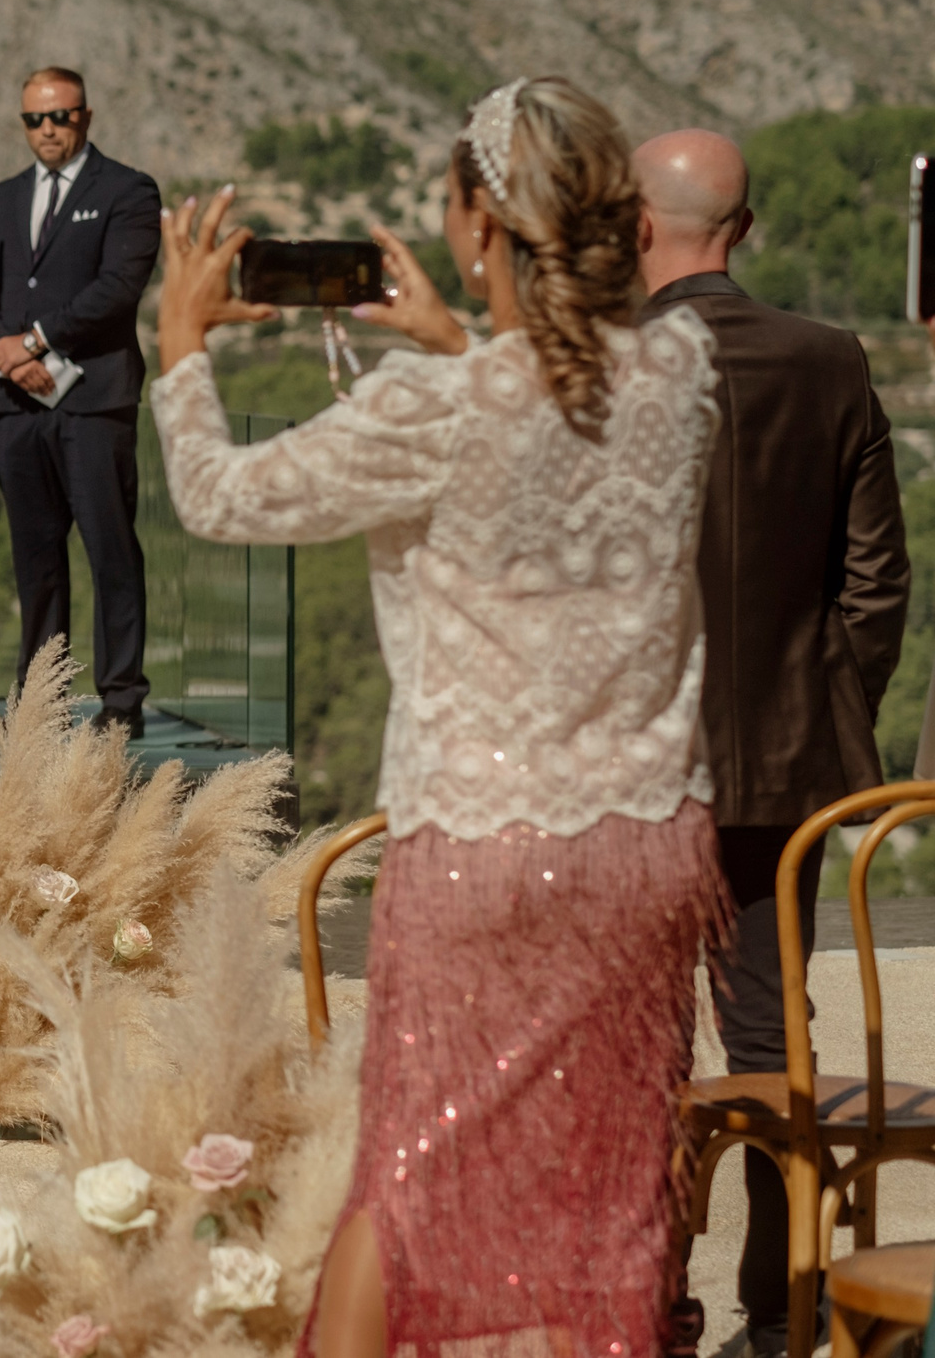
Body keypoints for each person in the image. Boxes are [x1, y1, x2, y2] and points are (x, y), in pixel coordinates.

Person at [151, 78, 725, 1358]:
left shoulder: (431, 409)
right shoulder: (684, 375)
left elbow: (220, 496)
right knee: (607, 1199)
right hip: (643, 856)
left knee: (406, 1182)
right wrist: (462, 337)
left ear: (476, 229)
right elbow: (552, 413)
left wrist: (182, 343)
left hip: (476, 855)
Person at [635, 128, 909, 1357]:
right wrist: (818, 708)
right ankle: (776, 1310)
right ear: (741, 230)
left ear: (636, 227)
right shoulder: (830, 358)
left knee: (636, 1051)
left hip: (634, 773)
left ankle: (650, 1308)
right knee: (769, 1043)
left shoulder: (603, 367)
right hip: (789, 777)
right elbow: (876, 582)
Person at [0, 65, 161, 732]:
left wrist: (34, 342)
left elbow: (118, 288)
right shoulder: (4, 197)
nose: (48, 129)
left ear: (86, 117)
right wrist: (5, 352)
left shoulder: (127, 190)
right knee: (36, 558)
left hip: (94, 402)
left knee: (110, 551)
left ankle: (121, 701)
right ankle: (42, 702)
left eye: (61, 115)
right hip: (18, 406)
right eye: (34, 118)